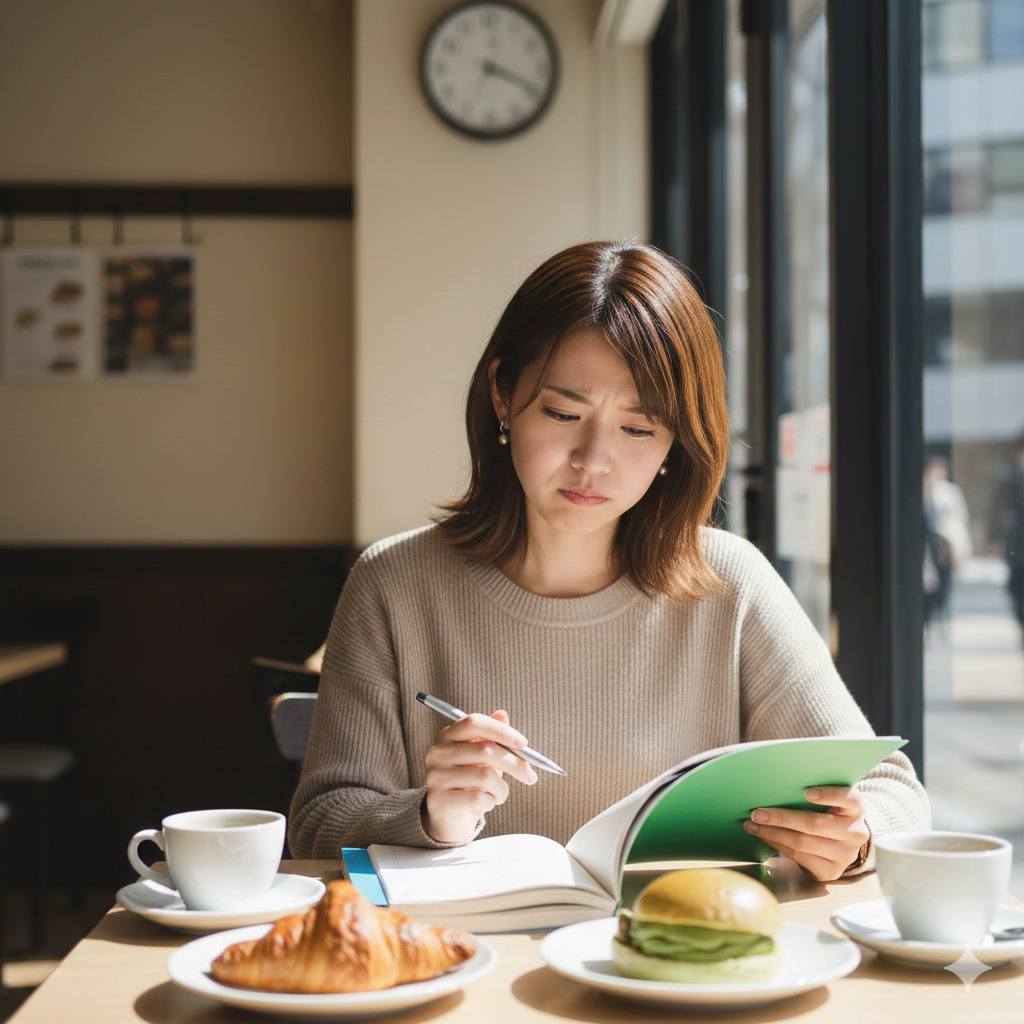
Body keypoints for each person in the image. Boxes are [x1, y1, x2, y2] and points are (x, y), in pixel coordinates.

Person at [289, 240, 929, 881]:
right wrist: (431, 817)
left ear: (678, 440)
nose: (593, 460)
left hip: (681, 964)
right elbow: (319, 822)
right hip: (468, 962)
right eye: (564, 412)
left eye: (639, 428)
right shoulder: (393, 584)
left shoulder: (730, 583)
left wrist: (857, 838)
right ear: (502, 395)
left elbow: (893, 791)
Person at [922, 454, 972, 634]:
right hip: (930, 549)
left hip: (946, 547)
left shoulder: (950, 492)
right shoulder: (925, 491)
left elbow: (960, 520)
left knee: (945, 588)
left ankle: (942, 622)